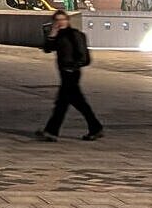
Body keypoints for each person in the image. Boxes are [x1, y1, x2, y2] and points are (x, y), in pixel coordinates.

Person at [36, 9, 103, 141]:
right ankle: (95, 127)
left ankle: (52, 131)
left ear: (67, 20)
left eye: (62, 19)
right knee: (72, 103)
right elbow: (47, 49)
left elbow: (83, 55)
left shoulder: (75, 35)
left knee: (63, 104)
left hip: (71, 73)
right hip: (64, 73)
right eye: (57, 20)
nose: (60, 23)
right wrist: (53, 33)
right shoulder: (58, 36)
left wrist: (73, 67)